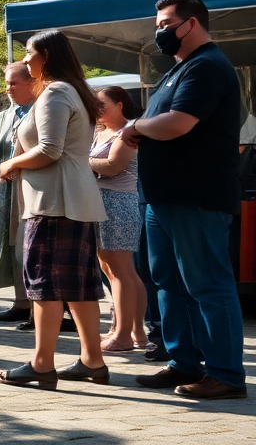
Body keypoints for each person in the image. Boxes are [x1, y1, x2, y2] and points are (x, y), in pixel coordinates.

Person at [121, 0, 247, 400]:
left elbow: (177, 123)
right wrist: (144, 129)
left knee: (207, 284)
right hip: (164, 197)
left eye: (165, 23)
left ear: (191, 24)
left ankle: (226, 375)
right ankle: (184, 362)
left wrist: (136, 126)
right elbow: (162, 125)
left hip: (197, 197)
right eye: (157, 24)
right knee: (168, 284)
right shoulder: (178, 70)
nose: (159, 31)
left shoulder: (208, 66)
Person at [0, 29, 108, 390]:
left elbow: (49, 150)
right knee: (78, 286)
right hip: (73, 200)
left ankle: (42, 364)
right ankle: (92, 360)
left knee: (44, 285)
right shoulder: (71, 90)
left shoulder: (55, 92)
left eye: (30, 53)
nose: (26, 61)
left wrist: (11, 165)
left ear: (46, 55)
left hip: (54, 203)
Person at [91, 85, 147, 353]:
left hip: (119, 204)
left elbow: (114, 166)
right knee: (114, 269)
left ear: (120, 105)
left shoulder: (129, 131)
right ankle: (135, 332)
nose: (98, 110)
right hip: (102, 204)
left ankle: (124, 335)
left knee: (121, 271)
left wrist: (80, 160)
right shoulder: (100, 132)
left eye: (102, 105)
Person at [0, 63, 36, 326]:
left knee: (30, 245)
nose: (8, 89)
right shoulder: (2, 117)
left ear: (31, 82)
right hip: (8, 190)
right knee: (12, 245)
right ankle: (21, 302)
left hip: (33, 187)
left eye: (13, 83)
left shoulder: (42, 111)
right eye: (6, 84)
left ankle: (39, 306)